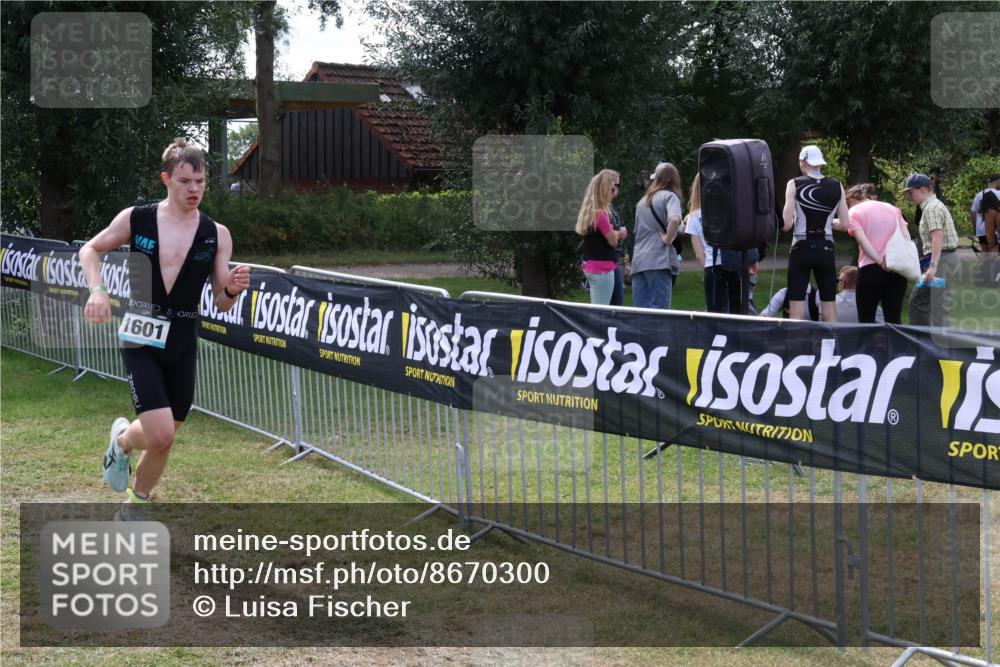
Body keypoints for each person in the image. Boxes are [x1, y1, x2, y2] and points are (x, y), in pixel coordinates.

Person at [79, 138, 251, 512]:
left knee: (167, 436)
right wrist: (97, 290)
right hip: (141, 330)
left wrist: (232, 290)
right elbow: (90, 249)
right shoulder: (137, 218)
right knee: (158, 432)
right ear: (166, 179)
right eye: (185, 181)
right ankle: (123, 441)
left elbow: (220, 301)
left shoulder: (216, 233)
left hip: (183, 338)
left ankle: (133, 506)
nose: (194, 189)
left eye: (200, 182)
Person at [782, 145, 850, 322]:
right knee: (829, 309)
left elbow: (786, 224)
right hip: (826, 249)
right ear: (820, 163)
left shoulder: (794, 183)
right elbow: (845, 224)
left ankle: (796, 342)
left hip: (801, 248)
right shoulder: (837, 185)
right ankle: (832, 341)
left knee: (796, 312)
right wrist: (828, 222)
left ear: (802, 163)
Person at [686, 173, 754, 314]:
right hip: (733, 264)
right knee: (737, 312)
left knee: (715, 314)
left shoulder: (693, 217)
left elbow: (699, 254)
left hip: (712, 265)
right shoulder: (729, 211)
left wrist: (708, 267)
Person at [845, 183, 911, 323]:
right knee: (894, 319)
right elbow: (906, 237)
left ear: (851, 199)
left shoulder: (854, 212)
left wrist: (880, 261)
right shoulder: (893, 209)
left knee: (866, 319)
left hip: (870, 270)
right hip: (896, 268)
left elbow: (863, 241)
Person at [904, 173, 960, 327]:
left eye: (911, 192)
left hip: (941, 262)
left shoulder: (931, 209)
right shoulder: (933, 205)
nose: (909, 196)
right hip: (946, 260)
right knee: (938, 306)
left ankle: (921, 339)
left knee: (918, 302)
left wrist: (933, 266)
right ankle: (938, 341)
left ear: (922, 189)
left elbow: (937, 237)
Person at [631, 162, 682, 309]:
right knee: (660, 311)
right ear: (673, 179)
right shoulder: (670, 197)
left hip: (639, 261)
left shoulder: (642, 201)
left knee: (641, 312)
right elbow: (674, 219)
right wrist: (668, 238)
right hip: (658, 260)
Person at [576, 169, 627, 305]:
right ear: (605, 189)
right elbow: (613, 241)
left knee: (603, 308)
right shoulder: (601, 214)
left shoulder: (589, 211)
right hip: (602, 268)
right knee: (600, 311)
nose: (614, 194)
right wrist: (619, 233)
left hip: (593, 265)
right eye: (612, 189)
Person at [971, 174, 1000, 250]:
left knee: (985, 252)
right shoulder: (999, 194)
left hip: (981, 230)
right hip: (995, 230)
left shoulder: (979, 195)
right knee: (995, 252)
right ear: (998, 181)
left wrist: (976, 226)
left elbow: (973, 212)